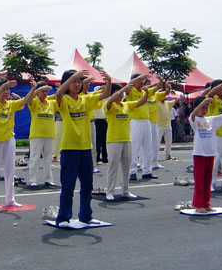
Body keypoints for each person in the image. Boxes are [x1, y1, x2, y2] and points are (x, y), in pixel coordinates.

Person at [55, 69, 111, 227]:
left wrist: (108, 81)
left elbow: (105, 95)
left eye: (79, 81)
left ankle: (86, 215)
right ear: (67, 83)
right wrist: (73, 76)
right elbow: (58, 94)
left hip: (85, 147)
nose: (77, 84)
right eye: (74, 81)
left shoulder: (85, 99)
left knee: (87, 185)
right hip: (69, 148)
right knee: (68, 186)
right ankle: (63, 217)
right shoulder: (64, 99)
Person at [0, 78, 35, 209]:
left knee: (10, 170)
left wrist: (33, 89)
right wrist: (3, 86)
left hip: (9, 139)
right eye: (3, 89)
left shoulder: (11, 104)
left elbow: (24, 101)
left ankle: (10, 199)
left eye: (8, 89)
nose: (6, 92)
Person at [104, 82, 147, 201]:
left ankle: (125, 190)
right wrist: (122, 90)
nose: (120, 95)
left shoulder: (126, 105)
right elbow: (109, 101)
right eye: (117, 93)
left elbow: (141, 102)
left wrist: (146, 93)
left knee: (126, 166)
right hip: (114, 139)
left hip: (126, 139)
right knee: (113, 166)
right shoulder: (110, 105)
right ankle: (109, 192)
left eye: (122, 93)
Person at [189, 96, 222, 213]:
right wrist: (203, 101)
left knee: (208, 180)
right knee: (199, 180)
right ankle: (198, 204)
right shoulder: (195, 120)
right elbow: (192, 115)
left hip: (210, 153)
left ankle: (206, 203)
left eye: (206, 108)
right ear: (196, 107)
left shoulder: (211, 120)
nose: (204, 110)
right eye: (202, 108)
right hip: (199, 153)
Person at [126, 73, 155, 180]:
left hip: (146, 121)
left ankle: (147, 171)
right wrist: (139, 77)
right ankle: (132, 171)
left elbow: (157, 87)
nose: (141, 82)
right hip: (135, 121)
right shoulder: (131, 91)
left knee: (148, 147)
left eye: (142, 80)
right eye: (139, 80)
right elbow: (128, 84)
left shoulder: (144, 92)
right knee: (134, 147)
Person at [28, 81, 57, 187]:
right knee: (35, 158)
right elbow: (29, 98)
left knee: (48, 158)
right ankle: (33, 180)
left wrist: (59, 88)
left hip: (50, 134)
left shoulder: (51, 103)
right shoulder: (34, 102)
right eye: (42, 91)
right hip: (37, 135)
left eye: (46, 91)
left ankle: (48, 179)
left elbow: (59, 97)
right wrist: (36, 89)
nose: (45, 93)